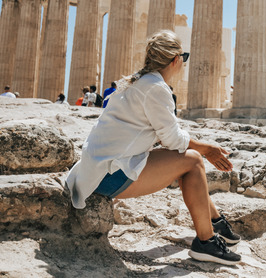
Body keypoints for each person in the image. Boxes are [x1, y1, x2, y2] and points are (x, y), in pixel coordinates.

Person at [65, 30, 241, 265]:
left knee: (186, 157)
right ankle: (207, 242)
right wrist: (207, 149)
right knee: (193, 160)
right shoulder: (156, 88)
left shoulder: (134, 81)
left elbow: (160, 136)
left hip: (95, 170)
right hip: (108, 176)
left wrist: (197, 146)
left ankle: (216, 222)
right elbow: (173, 140)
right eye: (184, 58)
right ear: (175, 60)